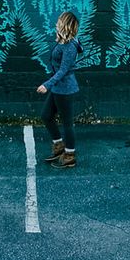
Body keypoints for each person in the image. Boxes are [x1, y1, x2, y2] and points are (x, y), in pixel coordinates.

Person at [37, 11, 83, 169]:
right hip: (58, 88)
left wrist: (46, 85)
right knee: (46, 116)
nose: (56, 23)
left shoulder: (70, 46)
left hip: (66, 89)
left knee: (67, 123)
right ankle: (58, 146)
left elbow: (63, 71)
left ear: (65, 24)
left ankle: (70, 155)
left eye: (59, 21)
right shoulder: (64, 42)